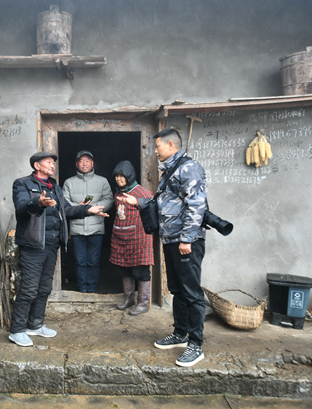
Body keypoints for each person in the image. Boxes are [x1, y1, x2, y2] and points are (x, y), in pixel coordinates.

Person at [118, 128, 207, 367]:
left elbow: (196, 205)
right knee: (177, 289)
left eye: (157, 147)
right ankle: (180, 334)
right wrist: (137, 201)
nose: (154, 151)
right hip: (171, 239)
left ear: (170, 145)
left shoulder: (189, 168)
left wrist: (187, 239)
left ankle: (196, 345)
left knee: (192, 292)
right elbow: (162, 203)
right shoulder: (170, 171)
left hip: (185, 242)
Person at [9, 151, 108, 347]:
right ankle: (17, 330)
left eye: (53, 163)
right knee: (28, 289)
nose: (52, 165)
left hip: (52, 244)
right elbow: (21, 207)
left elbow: (67, 209)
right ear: (37, 165)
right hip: (33, 244)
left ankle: (35, 325)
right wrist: (38, 202)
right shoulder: (22, 184)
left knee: (44, 288)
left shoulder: (54, 186)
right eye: (48, 162)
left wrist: (88, 210)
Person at [62, 150, 113, 293]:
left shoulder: (102, 181)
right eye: (81, 161)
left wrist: (93, 208)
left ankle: (91, 287)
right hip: (77, 229)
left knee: (93, 261)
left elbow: (109, 199)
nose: (84, 164)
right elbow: (64, 203)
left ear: (92, 163)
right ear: (76, 164)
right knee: (79, 261)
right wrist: (78, 208)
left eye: (87, 161)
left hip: (96, 228)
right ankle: (82, 288)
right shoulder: (69, 182)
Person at [110, 160, 154, 315]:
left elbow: (152, 214)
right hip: (120, 236)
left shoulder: (142, 193)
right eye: (116, 176)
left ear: (130, 176)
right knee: (123, 269)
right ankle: (129, 299)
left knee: (140, 271)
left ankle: (143, 303)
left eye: (122, 176)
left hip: (138, 238)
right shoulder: (117, 194)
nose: (119, 179)